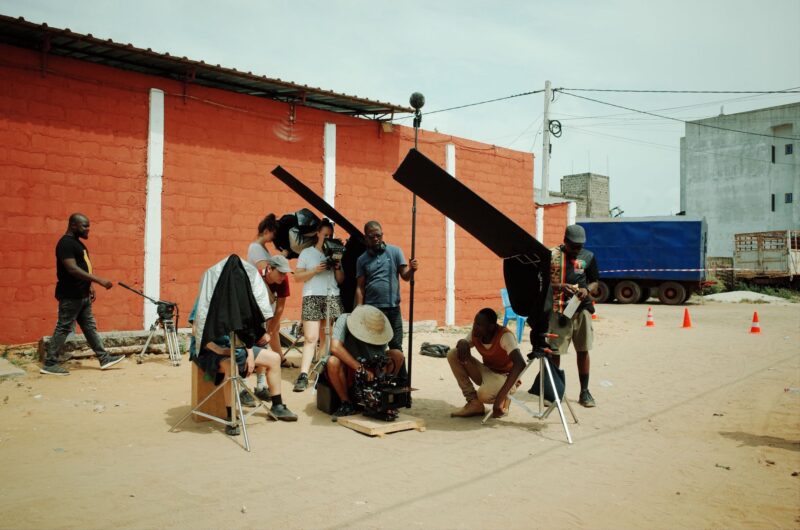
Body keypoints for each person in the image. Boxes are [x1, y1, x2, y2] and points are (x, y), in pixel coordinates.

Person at [40, 213, 124, 375]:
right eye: (85, 226)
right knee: (63, 327)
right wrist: (98, 280)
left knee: (89, 327)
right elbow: (72, 269)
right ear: (73, 225)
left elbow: (83, 267)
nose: (88, 229)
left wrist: (90, 285)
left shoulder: (77, 244)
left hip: (82, 294)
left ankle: (103, 358)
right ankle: (50, 363)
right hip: (71, 295)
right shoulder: (65, 244)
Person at [354, 220, 419, 369]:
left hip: (393, 309)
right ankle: (380, 382)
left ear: (382, 235)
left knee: (396, 346)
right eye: (372, 236)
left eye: (378, 235)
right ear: (366, 238)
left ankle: (402, 382)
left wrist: (412, 269)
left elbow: (405, 276)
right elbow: (360, 287)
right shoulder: (362, 259)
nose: (376, 238)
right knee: (376, 348)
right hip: (373, 311)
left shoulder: (395, 252)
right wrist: (359, 309)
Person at [548, 224, 600, 407]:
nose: (577, 250)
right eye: (574, 246)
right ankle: (555, 392)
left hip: (581, 309)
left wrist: (587, 290)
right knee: (556, 351)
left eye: (580, 246)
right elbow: (543, 283)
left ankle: (584, 392)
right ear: (565, 242)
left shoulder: (588, 256)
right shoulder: (551, 256)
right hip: (558, 310)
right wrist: (561, 287)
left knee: (583, 350)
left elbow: (595, 281)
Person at [326, 304, 404, 420]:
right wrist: (360, 368)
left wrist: (381, 374)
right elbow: (335, 348)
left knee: (397, 355)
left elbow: (380, 357)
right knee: (333, 361)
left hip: (371, 365)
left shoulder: (379, 327)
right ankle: (346, 402)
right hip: (349, 367)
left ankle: (382, 397)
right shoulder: (344, 319)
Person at [292, 219, 344, 392]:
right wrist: (315, 270)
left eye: (331, 235)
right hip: (312, 295)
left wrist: (337, 266)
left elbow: (341, 280)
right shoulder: (307, 253)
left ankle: (321, 372)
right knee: (311, 337)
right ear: (318, 234)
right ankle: (304, 374)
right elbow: (297, 277)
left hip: (331, 295)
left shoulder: (336, 252)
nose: (328, 238)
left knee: (326, 337)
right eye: (325, 235)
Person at [447, 308, 526, 418]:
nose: (475, 327)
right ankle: (474, 403)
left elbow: (520, 364)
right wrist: (462, 342)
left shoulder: (505, 336)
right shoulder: (476, 333)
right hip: (488, 373)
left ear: (491, 327)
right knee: (453, 354)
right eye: (475, 323)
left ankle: (504, 397)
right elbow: (465, 344)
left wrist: (498, 400)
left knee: (483, 395)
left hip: (505, 378)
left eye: (479, 325)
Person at [247, 214, 291, 365]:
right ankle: (260, 360)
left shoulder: (262, 248)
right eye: (274, 233)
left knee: (274, 327)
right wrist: (283, 256)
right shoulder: (255, 247)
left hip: (267, 294)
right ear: (267, 230)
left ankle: (280, 358)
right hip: (260, 295)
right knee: (264, 330)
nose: (274, 238)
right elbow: (267, 269)